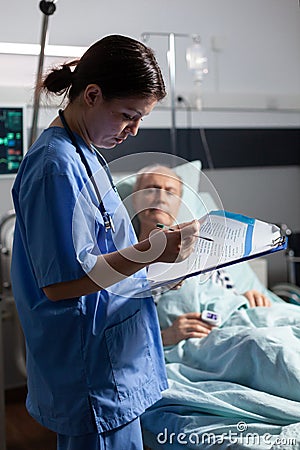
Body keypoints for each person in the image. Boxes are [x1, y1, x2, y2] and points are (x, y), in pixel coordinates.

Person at [10, 35, 199, 450]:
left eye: (141, 119)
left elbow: (102, 249)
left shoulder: (86, 152)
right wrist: (152, 251)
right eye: (128, 116)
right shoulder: (54, 166)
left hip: (112, 356)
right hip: (91, 367)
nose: (133, 131)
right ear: (92, 95)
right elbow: (61, 283)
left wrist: (158, 269)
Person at [132, 164, 275, 346]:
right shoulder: (124, 260)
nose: (161, 198)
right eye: (152, 189)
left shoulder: (205, 250)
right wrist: (165, 336)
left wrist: (245, 298)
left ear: (179, 203)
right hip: (197, 342)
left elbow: (225, 295)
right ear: (135, 199)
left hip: (235, 325)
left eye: (170, 192)